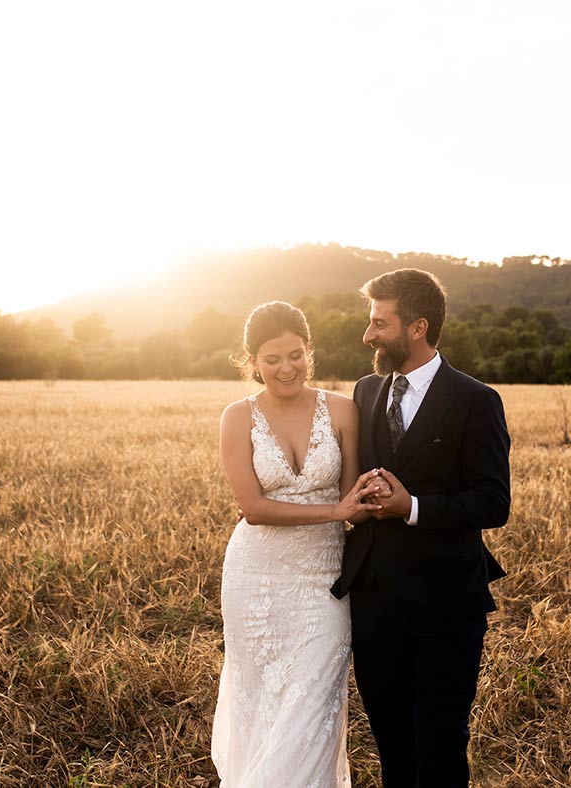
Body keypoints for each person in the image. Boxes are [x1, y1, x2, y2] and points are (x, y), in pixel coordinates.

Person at [330, 269, 511, 787]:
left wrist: (412, 507)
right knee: (392, 748)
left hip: (447, 606)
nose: (368, 336)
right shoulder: (365, 391)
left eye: (379, 323)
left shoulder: (476, 400)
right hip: (374, 601)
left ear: (417, 327)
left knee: (439, 748)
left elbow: (493, 503)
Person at [212, 301, 388, 787]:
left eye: (295, 354)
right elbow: (252, 507)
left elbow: (353, 492)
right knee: (262, 700)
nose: (285, 368)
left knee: (312, 702)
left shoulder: (343, 409)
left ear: (310, 351)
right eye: (272, 359)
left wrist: (374, 498)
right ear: (252, 362)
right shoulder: (236, 417)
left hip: (323, 578)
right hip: (256, 575)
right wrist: (336, 511)